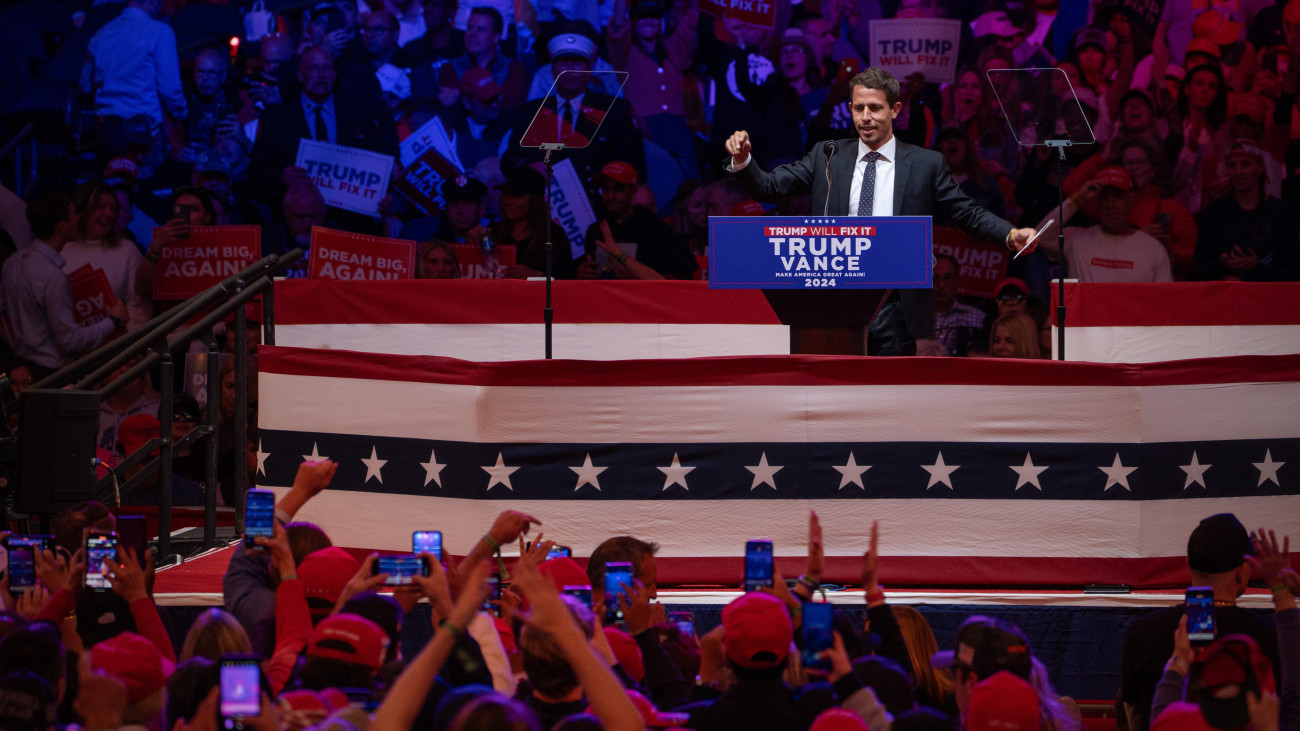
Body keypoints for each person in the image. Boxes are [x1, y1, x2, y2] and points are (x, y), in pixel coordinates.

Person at [726, 67, 1035, 355]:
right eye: (858, 108)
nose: (865, 117)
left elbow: (968, 213)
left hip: (896, 303)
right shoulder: (827, 155)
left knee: (890, 400)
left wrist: (1010, 234)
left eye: (874, 108)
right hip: (834, 298)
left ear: (895, 110)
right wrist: (743, 161)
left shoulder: (925, 164)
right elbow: (768, 187)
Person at [1120, 514, 1282, 731]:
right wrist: (1283, 592)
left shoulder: (1142, 633)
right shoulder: (1270, 638)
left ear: (1188, 565)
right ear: (1242, 572)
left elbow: (1134, 716)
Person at [0, 190, 127, 378]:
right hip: (51, 374)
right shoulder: (53, 276)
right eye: (74, 215)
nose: (79, 218)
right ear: (62, 227)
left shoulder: (13, 262)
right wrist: (114, 321)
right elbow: (69, 340)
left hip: (20, 369)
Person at [503, 34, 647, 183]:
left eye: (577, 63)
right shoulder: (531, 112)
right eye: (563, 63)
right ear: (552, 70)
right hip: (544, 197)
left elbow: (633, 164)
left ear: (589, 69)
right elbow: (510, 158)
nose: (570, 70)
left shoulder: (614, 110)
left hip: (599, 198)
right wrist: (528, 166)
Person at [80, 0, 187, 159]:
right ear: (153, 3)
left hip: (106, 131)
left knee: (112, 181)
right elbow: (170, 89)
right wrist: (182, 115)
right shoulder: (161, 32)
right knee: (146, 182)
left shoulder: (100, 35)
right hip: (144, 133)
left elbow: (85, 85)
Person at [1033, 166, 1173, 283]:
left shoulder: (1153, 248)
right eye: (1104, 198)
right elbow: (1040, 237)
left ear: (1131, 200)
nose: (1110, 205)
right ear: (1096, 203)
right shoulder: (1077, 240)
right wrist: (1077, 199)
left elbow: (1163, 301)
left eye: (1117, 197)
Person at [1195, 139, 1299, 281]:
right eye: (1232, 165)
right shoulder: (1215, 212)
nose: (1238, 172)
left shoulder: (1281, 213)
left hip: (1266, 299)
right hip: (1224, 297)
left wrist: (1256, 268)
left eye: (1245, 164)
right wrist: (1221, 264)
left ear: (1260, 167)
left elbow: (1292, 273)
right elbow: (1198, 268)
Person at [579, 162, 696, 280]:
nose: (610, 195)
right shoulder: (595, 231)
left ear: (633, 191)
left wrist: (641, 279)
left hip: (641, 298)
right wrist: (582, 276)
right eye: (605, 189)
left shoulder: (656, 230)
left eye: (618, 188)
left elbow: (681, 277)